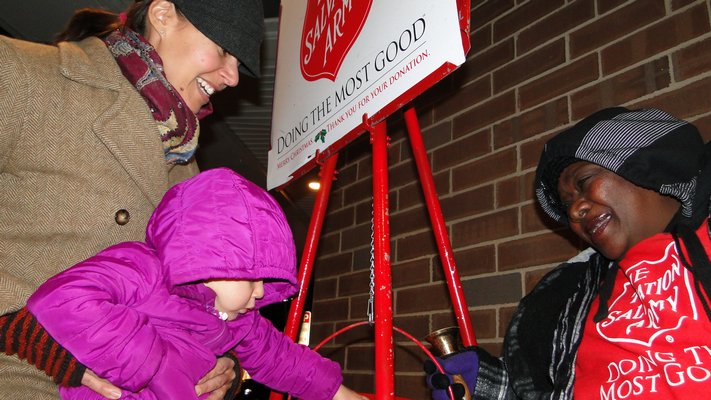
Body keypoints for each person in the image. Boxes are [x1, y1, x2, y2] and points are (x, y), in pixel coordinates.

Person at [0, 1, 263, 398]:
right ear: (162, 15)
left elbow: (192, 299)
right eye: (225, 50)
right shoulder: (23, 73)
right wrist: (17, 330)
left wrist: (217, 364)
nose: (232, 77)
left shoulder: (186, 171)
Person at [425, 107, 711, 399]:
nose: (575, 210)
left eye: (585, 182)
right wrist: (486, 384)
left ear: (643, 162)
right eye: (567, 204)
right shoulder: (569, 294)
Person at [22, 168, 367, 400]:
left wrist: (341, 393)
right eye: (254, 277)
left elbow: (282, 358)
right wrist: (151, 362)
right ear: (211, 259)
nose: (262, 292)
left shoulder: (239, 321)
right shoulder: (143, 269)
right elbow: (61, 298)